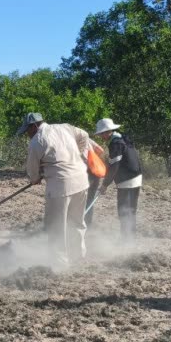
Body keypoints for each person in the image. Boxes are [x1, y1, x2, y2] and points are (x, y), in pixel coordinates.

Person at [19, 112, 92, 265]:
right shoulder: (65, 127)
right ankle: (78, 255)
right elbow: (85, 135)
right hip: (81, 180)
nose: (27, 134)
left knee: (57, 226)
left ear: (34, 126)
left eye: (27, 130)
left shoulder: (36, 141)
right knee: (77, 221)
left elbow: (32, 170)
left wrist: (35, 178)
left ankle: (59, 263)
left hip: (61, 187)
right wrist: (79, 155)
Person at [94, 118, 143, 237]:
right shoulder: (122, 138)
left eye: (101, 134)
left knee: (124, 210)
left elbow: (114, 166)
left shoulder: (115, 143)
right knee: (131, 210)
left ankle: (126, 239)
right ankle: (130, 238)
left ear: (108, 132)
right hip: (136, 176)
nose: (101, 136)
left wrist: (105, 184)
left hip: (127, 180)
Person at [83, 137, 107, 227]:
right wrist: (92, 159)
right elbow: (101, 150)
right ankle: (88, 222)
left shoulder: (72, 141)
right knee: (90, 198)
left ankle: (79, 222)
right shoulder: (87, 139)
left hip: (85, 173)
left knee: (81, 198)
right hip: (95, 172)